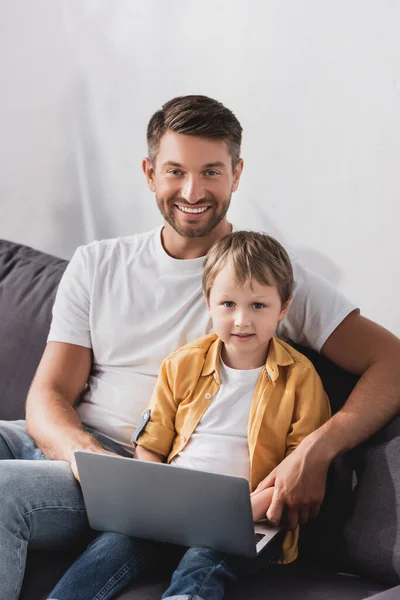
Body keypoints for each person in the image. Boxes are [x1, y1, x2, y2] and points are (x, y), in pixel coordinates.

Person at [0, 95, 399, 600]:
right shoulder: (97, 263)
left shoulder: (266, 278)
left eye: (211, 172)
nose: (192, 191)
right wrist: (85, 457)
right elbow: (47, 394)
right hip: (65, 449)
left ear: (236, 174)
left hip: (139, 474)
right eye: (175, 171)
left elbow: (392, 362)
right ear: (149, 173)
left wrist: (315, 453)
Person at [48, 231, 332, 600]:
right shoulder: (182, 365)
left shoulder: (301, 378)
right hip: (172, 513)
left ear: (284, 307)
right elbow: (151, 444)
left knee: (204, 559)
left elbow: (298, 468)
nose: (242, 320)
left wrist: (234, 513)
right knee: (110, 548)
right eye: (228, 304)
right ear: (208, 303)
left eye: (258, 306)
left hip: (251, 518)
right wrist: (153, 500)